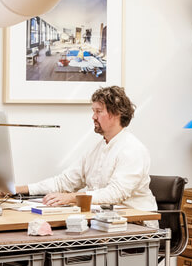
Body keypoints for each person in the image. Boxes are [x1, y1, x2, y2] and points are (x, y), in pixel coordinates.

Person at [15, 86, 157, 211]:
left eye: (99, 111)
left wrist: (70, 198)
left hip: (137, 225)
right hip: (105, 221)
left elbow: (114, 194)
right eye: (93, 111)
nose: (93, 117)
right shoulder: (95, 149)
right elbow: (64, 182)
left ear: (116, 114)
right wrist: (18, 189)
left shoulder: (133, 149)